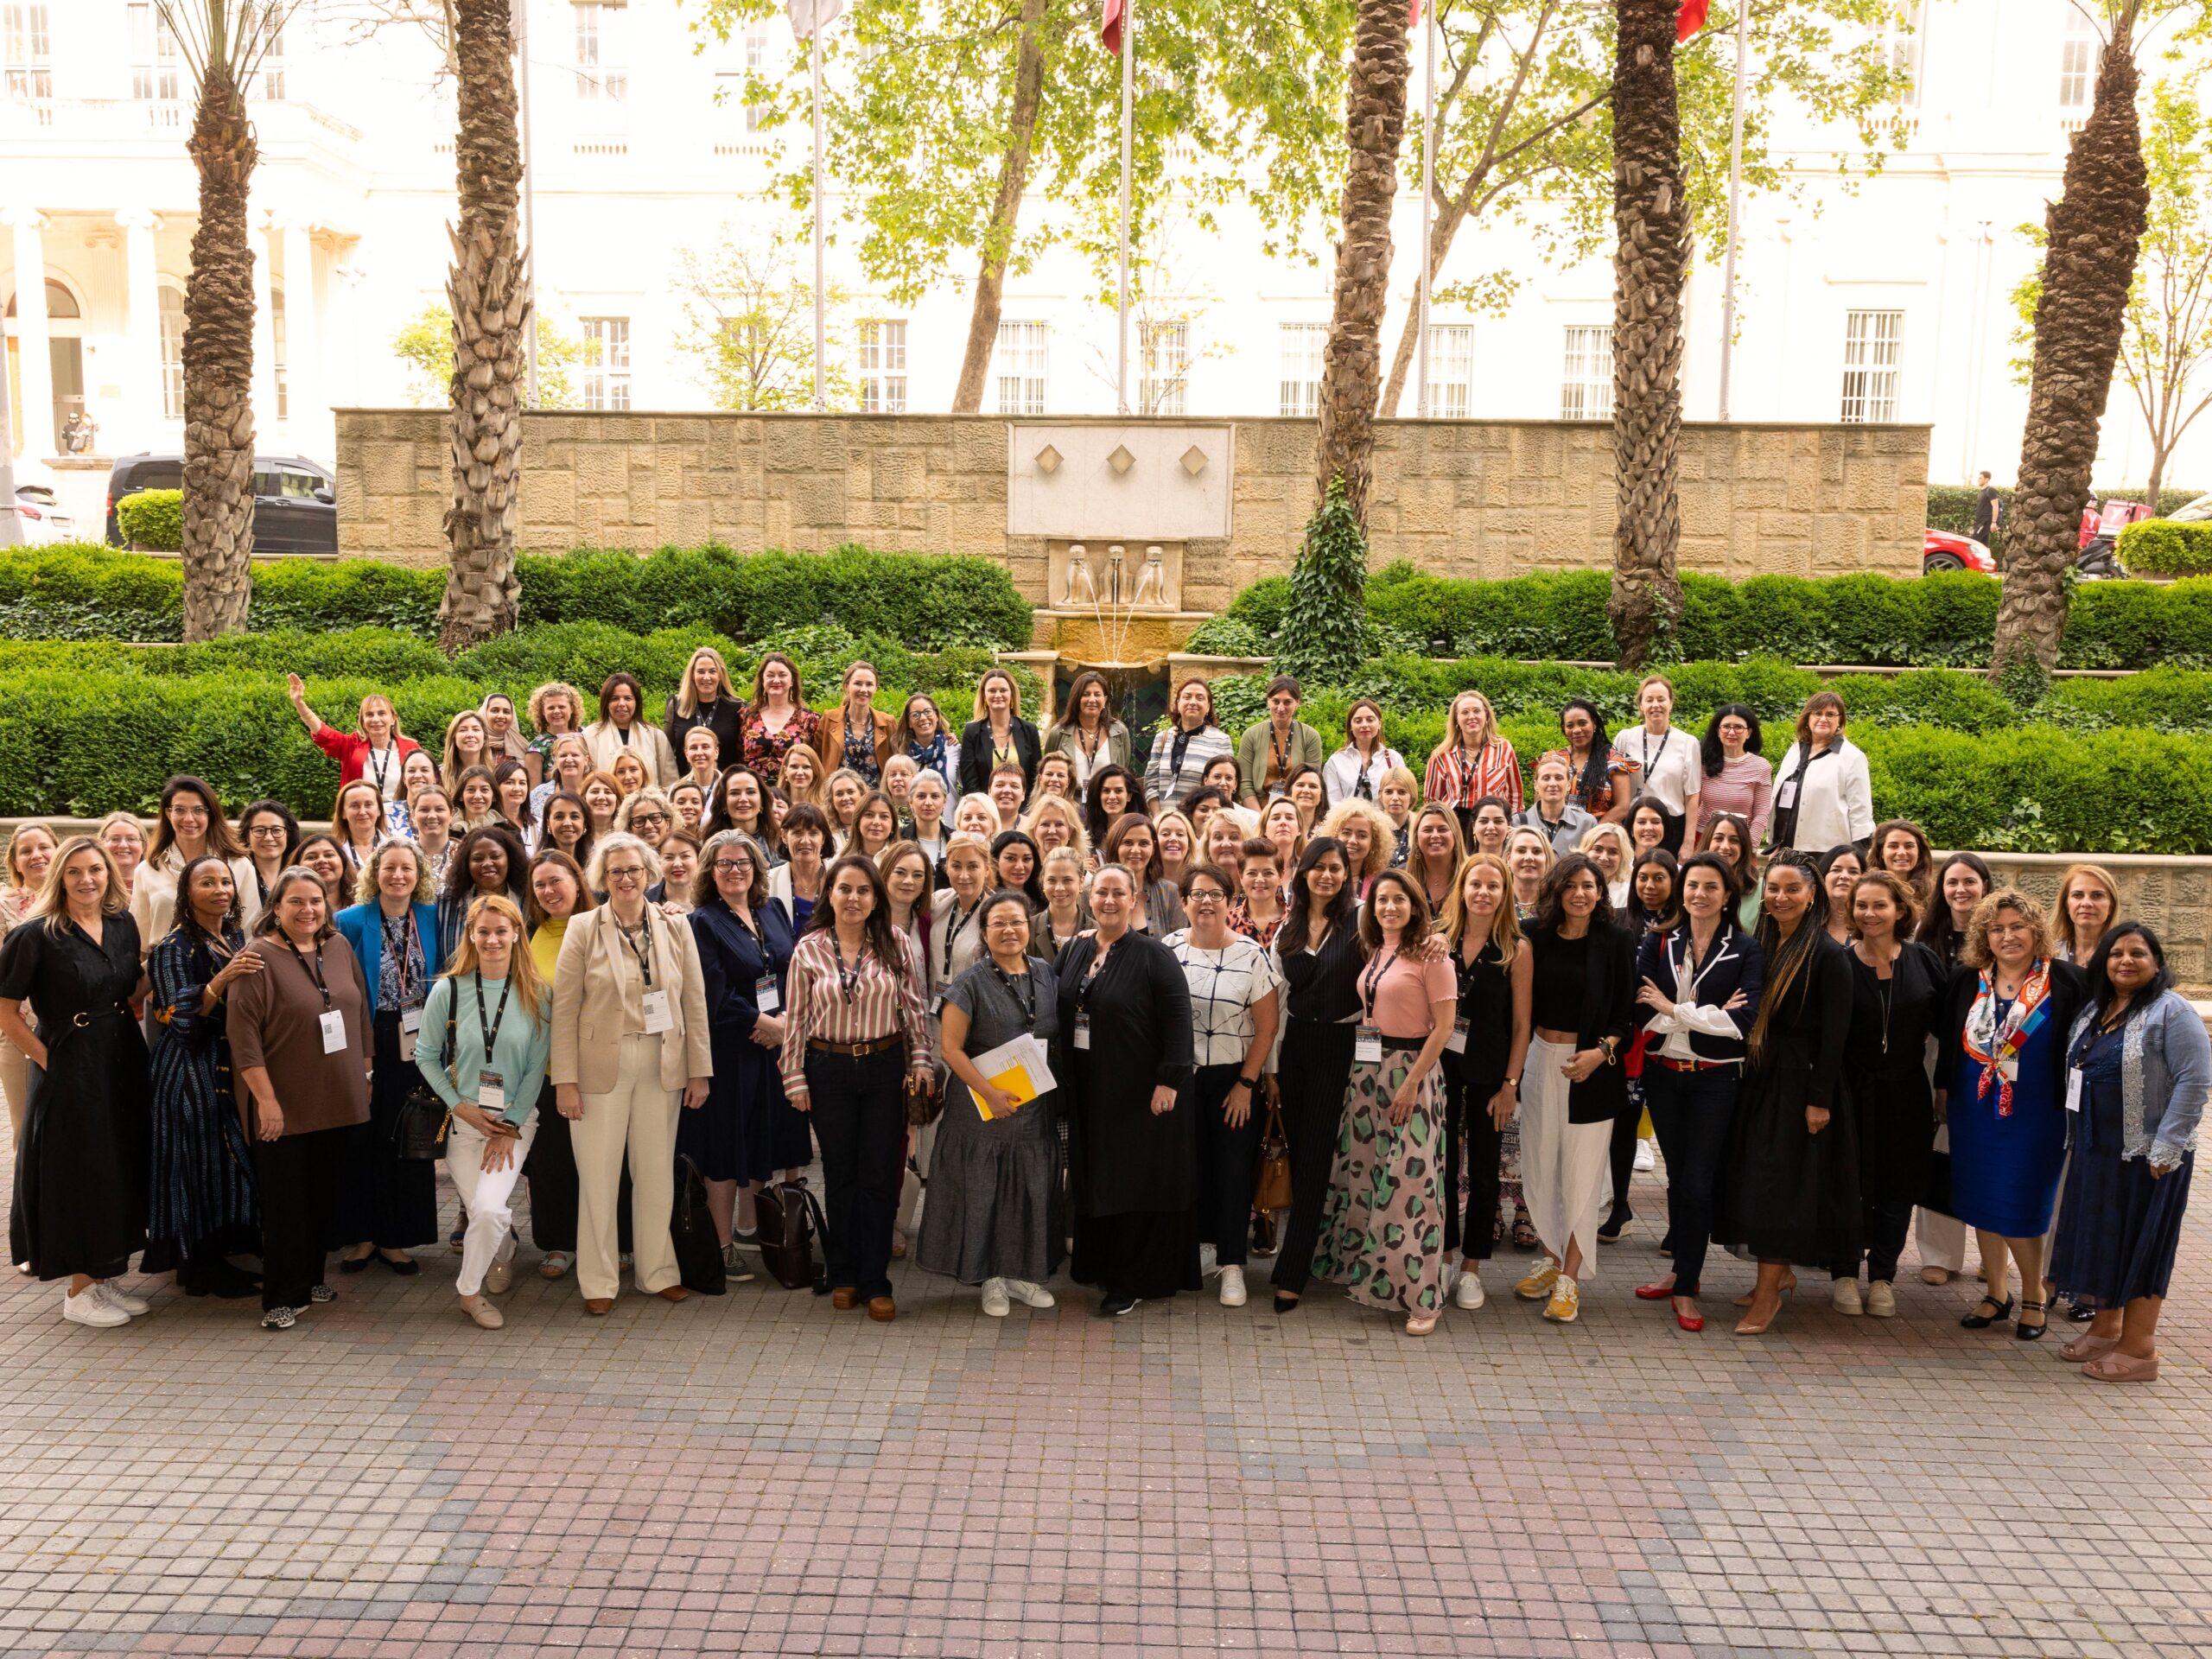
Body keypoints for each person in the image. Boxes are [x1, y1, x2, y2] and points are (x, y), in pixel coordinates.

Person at [551, 833, 715, 1314]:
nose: (625, 879)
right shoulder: (582, 928)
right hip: (599, 1067)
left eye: (634, 870)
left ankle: (657, 1271)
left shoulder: (675, 926)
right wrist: (565, 1080)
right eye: (616, 871)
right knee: (599, 1177)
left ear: (649, 874)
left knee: (656, 1174)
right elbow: (564, 1009)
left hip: (661, 1062)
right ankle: (599, 1281)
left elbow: (694, 1001)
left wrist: (699, 1071)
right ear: (603, 878)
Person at [0, 839, 152, 1326]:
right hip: (71, 1062)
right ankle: (79, 1291)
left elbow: (131, 987)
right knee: (81, 1171)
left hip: (121, 1055)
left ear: (109, 873)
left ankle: (103, 1277)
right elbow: (6, 1012)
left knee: (117, 1163)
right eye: (74, 872)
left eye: (95, 870)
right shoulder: (34, 936)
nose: (87, 880)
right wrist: (48, 1061)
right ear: (58, 879)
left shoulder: (122, 924)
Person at [779, 854, 935, 1320]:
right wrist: (794, 1076)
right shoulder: (808, 949)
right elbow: (796, 1021)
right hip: (828, 1068)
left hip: (885, 1067)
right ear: (830, 893)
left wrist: (923, 1061)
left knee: (880, 1176)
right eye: (845, 889)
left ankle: (875, 1279)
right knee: (841, 1174)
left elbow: (915, 1007)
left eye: (864, 891)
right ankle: (844, 1274)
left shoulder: (896, 943)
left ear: (876, 898)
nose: (854, 898)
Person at [2051, 923, 2202, 1382]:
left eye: (2138, 953)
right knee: (2105, 1240)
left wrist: (2168, 1146)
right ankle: (2105, 1327)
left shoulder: (2172, 1013)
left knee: (2142, 1245)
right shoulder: (2098, 1008)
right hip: (2098, 1151)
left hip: (2149, 1156)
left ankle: (2140, 1350)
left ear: (2157, 963)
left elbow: (2194, 1081)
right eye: (2117, 953)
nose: (2126, 961)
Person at [1310, 868, 1458, 1334]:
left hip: (1412, 1073)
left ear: (1415, 905)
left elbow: (1446, 1028)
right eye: (1381, 900)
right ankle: (1372, 1274)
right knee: (1367, 1174)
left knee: (1410, 1187)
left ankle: (1423, 1298)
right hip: (1369, 1072)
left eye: (1399, 900)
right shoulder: (1377, 949)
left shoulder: (1432, 955)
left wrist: (1412, 1083)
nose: (1390, 907)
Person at [1936, 889, 2088, 1342]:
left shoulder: (2067, 981)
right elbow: (1948, 1041)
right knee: (1981, 1197)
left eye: (2017, 927)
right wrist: (1943, 1092)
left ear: (2035, 930)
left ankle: (2034, 1296)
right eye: (1997, 929)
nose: (2008, 936)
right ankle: (1997, 1294)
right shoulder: (1967, 980)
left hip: (2037, 1113)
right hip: (1975, 1108)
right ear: (1984, 936)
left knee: (2023, 1202)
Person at [228, 867, 373, 1332]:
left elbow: (360, 1010)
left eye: (315, 901)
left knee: (321, 1198)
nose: (307, 910)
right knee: (286, 1204)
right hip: (283, 1103)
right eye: (295, 901)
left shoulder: (338, 946)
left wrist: (366, 1071)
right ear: (276, 907)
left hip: (337, 1097)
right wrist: (265, 1101)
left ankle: (311, 1279)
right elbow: (243, 1038)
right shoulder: (257, 958)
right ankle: (280, 1297)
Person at [1721, 854, 1856, 1336]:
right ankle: (1777, 1278)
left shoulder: (1827, 955)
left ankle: (1768, 1294)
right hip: (1759, 1076)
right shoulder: (1760, 942)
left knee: (1780, 1190)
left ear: (1812, 894)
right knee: (1754, 1181)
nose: (1780, 898)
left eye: (1791, 890)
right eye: (1773, 889)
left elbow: (1836, 1037)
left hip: (1801, 1084)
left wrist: (1818, 1100)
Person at [1056, 864, 1197, 1316]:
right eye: (1101, 893)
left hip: (1138, 1091)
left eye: (1119, 893)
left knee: (1132, 1182)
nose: (1110, 901)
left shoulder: (1155, 954)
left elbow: (1179, 1021)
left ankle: (1132, 1278)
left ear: (1134, 898)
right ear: (1089, 898)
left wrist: (1168, 1081)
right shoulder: (1075, 949)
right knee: (1096, 1175)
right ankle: (1098, 1264)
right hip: (1087, 1088)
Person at [1633, 852, 1762, 1332]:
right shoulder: (1659, 941)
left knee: (1697, 1179)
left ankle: (1687, 1286)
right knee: (1679, 1175)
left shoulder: (1746, 949)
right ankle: (1680, 1270)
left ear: (1727, 895)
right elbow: (1640, 1011)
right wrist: (1696, 1013)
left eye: (1711, 887)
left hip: (1715, 1078)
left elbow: (1740, 1024)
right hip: (1664, 1073)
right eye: (1692, 886)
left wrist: (1673, 1007)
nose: (1699, 895)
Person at [919, 888, 1064, 1315]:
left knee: (1029, 1189)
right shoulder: (968, 983)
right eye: (998, 923)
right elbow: (950, 1048)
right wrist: (989, 1093)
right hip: (982, 1111)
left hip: (1033, 1107)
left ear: (1029, 927)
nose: (1009, 930)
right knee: (986, 1191)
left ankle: (1021, 1273)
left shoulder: (1045, 974)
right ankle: (991, 1278)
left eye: (1016, 922)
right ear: (984, 932)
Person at [416, 894, 551, 1329]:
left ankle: (468, 1293)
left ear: (516, 935)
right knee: (482, 1212)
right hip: (461, 1121)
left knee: (490, 1210)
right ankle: (505, 1250)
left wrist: (507, 1126)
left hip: (513, 1122)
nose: (492, 940)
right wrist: (459, 1105)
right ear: (471, 937)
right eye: (483, 932)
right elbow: (425, 1056)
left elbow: (536, 1069)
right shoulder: (447, 990)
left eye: (501, 931)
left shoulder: (537, 994)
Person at [1514, 854, 1635, 1325]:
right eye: (1571, 886)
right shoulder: (1534, 936)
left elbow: (1626, 1013)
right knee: (1542, 1165)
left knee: (1581, 1176)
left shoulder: (1618, 940)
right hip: (1541, 1059)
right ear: (1556, 891)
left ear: (1601, 892)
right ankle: (1548, 1259)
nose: (1580, 894)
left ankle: (1570, 1278)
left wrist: (1599, 1053)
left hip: (1593, 1067)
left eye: (1589, 886)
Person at [683, 831, 804, 1262]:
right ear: (710, 872)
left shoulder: (771, 909)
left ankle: (750, 1228)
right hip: (730, 1048)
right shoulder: (702, 921)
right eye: (724, 864)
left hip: (773, 1045)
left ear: (757, 868)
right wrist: (762, 1021)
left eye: (743, 863)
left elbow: (791, 968)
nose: (735, 871)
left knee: (761, 1138)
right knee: (725, 1146)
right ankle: (721, 1247)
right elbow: (710, 989)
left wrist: (786, 1018)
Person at [1165, 864, 1282, 1309]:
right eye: (1198, 894)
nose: (1207, 902)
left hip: (1234, 1077)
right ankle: (1200, 1247)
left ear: (1232, 903)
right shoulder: (1167, 950)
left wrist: (1246, 1083)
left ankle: (1233, 1263)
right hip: (1181, 1080)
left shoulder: (1252, 955)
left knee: (1233, 1171)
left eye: (1217, 894)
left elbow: (1267, 1028)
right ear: (1184, 902)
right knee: (1190, 1167)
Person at [145, 855, 263, 1298]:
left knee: (223, 1165)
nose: (220, 890)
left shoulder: (230, 935)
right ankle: (199, 1271)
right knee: (196, 1168)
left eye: (226, 882)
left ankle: (223, 1257)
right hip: (188, 1073)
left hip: (224, 1064)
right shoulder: (173, 948)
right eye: (207, 883)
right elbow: (180, 1021)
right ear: (186, 893)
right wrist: (221, 982)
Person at [1835, 870, 1945, 1318]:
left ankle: (1882, 1276)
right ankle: (1843, 1272)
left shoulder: (1923, 960)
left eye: (1880, 905)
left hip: (1906, 1091)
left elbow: (1950, 1033)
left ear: (1900, 909)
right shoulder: (1838, 963)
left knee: (1898, 1187)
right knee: (1847, 1183)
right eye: (1862, 905)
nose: (1870, 913)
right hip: (1850, 1090)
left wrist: (1944, 1089)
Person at [332, 841, 444, 1274]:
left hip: (419, 1037)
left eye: (407, 868)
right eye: (389, 867)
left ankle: (397, 1239)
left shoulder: (433, 918)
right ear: (374, 873)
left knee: (409, 1135)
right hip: (369, 1033)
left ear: (419, 875)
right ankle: (362, 1237)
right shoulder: (350, 921)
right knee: (363, 1137)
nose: (398, 875)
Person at [1268, 838, 1361, 1313]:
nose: (1328, 875)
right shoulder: (1289, 924)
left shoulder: (1362, 920)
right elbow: (1278, 1002)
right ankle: (1309, 1254)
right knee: (1300, 1153)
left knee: (1316, 1160)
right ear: (1302, 872)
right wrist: (1272, 1069)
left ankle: (1293, 1271)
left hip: (1340, 1047)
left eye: (1336, 868)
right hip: (1295, 1048)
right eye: (1318, 867)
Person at [1440, 852, 1531, 1313]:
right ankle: (1444, 1255)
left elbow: (1521, 1026)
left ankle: (1472, 1268)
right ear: (1462, 888)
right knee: (1440, 1165)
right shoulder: (1439, 940)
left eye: (1493, 886)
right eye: (1475, 884)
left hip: (1491, 1074)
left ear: (1505, 893)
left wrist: (1510, 1084)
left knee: (1482, 1172)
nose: (1483, 892)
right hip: (1441, 1069)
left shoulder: (1516, 948)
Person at [519, 851, 605, 1281]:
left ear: (577, 880)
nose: (549, 891)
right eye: (540, 885)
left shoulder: (604, 925)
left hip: (602, 1065)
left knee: (609, 1161)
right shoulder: (529, 933)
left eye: (556, 881)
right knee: (553, 1162)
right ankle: (560, 1242)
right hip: (547, 1070)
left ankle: (615, 1241)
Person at [131, 775, 257, 956]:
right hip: (167, 972)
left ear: (210, 813)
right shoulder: (147, 870)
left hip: (227, 969)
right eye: (179, 810)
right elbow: (140, 942)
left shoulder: (239, 866)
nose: (189, 819)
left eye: (198, 810)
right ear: (168, 813)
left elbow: (250, 932)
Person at [0, 823, 57, 1150]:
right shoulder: (5, 906)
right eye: (26, 851)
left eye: (44, 847)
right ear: (16, 862)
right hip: (20, 1030)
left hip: (71, 1030)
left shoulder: (78, 897)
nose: (36, 855)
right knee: (28, 1131)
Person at [1768, 692, 1873, 856]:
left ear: (1840, 721)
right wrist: (1775, 842)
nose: (1823, 719)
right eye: (1818, 713)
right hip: (1786, 846)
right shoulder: (1796, 749)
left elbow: (1861, 811)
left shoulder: (1852, 757)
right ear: (1808, 718)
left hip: (1827, 852)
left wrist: (1858, 855)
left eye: (1830, 714)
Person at [285, 678, 423, 802]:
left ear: (393, 719)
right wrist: (299, 703)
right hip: (362, 815)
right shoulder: (351, 745)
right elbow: (323, 733)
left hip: (401, 818)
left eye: (381, 713)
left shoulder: (411, 747)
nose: (375, 719)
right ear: (363, 721)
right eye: (369, 715)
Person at [1612, 675, 1700, 853]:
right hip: (1632, 822)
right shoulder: (1625, 738)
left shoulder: (1688, 742)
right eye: (1649, 700)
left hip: (1672, 824)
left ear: (1671, 704)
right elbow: (1613, 784)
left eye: (1661, 699)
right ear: (1641, 705)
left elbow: (1692, 796)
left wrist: (1688, 843)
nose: (1656, 705)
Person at [1424, 690, 1523, 842]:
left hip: (1492, 824)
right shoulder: (1441, 756)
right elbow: (1431, 801)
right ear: (1456, 720)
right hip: (1456, 826)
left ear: (1487, 715)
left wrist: (1512, 824)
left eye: (1477, 711)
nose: (1471, 717)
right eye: (1465, 712)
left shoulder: (1504, 748)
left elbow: (1515, 794)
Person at [436, 824, 529, 957]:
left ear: (509, 859)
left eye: (495, 856)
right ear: (466, 864)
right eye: (477, 859)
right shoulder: (446, 902)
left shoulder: (528, 902)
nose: (487, 863)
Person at [1236, 675, 1324, 806]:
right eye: (1276, 701)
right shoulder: (1251, 735)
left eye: (1287, 702)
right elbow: (1245, 783)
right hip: (1257, 810)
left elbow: (1312, 783)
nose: (1281, 708)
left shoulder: (1310, 736)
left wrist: (1295, 816)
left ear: (1297, 703)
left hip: (1297, 810)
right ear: (1268, 701)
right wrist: (1259, 818)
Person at [583, 671, 678, 789]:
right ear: (606, 703)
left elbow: (670, 783)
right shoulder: (590, 736)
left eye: (628, 698)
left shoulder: (656, 737)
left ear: (636, 702)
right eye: (615, 698)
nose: (622, 704)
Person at [1696, 703, 1773, 846]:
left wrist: (1750, 846)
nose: (1731, 732)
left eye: (1738, 727)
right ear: (1718, 731)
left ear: (1749, 733)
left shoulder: (1761, 767)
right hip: (1703, 838)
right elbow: (1692, 804)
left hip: (1739, 842)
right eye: (1726, 727)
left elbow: (1762, 813)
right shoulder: (1702, 763)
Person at [1044, 671, 1132, 794]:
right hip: (1069, 804)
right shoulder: (1058, 733)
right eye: (1086, 694)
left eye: (1097, 694)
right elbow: (1047, 771)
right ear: (1077, 699)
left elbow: (1124, 768)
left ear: (1105, 699)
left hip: (1107, 803)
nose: (1092, 699)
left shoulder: (1119, 732)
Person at [663, 645, 746, 777]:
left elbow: (744, 754)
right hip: (686, 789)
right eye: (701, 672)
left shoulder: (737, 707)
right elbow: (665, 753)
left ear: (720, 675)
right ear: (692, 675)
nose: (706, 677)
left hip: (725, 788)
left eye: (712, 671)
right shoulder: (676, 705)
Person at [958, 668, 1041, 796]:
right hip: (985, 810)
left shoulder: (1029, 730)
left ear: (1012, 694)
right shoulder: (972, 732)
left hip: (1022, 810)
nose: (998, 695)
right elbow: (970, 783)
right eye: (992, 691)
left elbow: (1035, 779)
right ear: (984, 696)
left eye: (1003, 690)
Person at [1101, 814, 1185, 936]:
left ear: (1154, 848)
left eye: (1144, 843)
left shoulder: (1171, 893)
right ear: (1115, 846)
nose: (1136, 850)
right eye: (1128, 843)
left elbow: (1178, 946)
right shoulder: (1094, 891)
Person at [812, 660, 895, 785]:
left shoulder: (888, 723)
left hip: (874, 800)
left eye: (869, 684)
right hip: (837, 798)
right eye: (858, 683)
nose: (864, 689)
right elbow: (816, 761)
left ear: (876, 688)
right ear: (846, 686)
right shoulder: (829, 720)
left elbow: (895, 763)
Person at [1549, 698, 1634, 820]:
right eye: (1570, 725)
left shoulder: (1614, 760)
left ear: (1594, 723)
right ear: (1564, 729)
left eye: (1583, 723)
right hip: (1558, 833)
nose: (1577, 730)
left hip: (1601, 834)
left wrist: (1593, 835)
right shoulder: (1553, 760)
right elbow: (1541, 802)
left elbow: (1622, 807)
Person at [1322, 698, 1405, 808]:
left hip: (1386, 824)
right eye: (1358, 721)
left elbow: (1403, 796)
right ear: (1350, 726)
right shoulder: (1336, 761)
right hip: (1347, 823)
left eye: (1370, 720)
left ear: (1379, 723)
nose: (1364, 725)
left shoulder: (1393, 759)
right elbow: (1332, 803)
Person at [1515, 754, 1598, 856]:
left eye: (1559, 778)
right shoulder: (1518, 823)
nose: (1553, 783)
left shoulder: (1586, 823)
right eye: (1546, 778)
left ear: (1568, 785)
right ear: (1536, 785)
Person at [1316, 798, 1394, 902]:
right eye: (1346, 833)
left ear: (1374, 842)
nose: (1353, 841)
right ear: (1334, 835)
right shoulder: (1318, 875)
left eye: (1362, 835)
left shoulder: (1381, 884)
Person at [769, 804, 831, 933]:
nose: (805, 841)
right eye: (798, 833)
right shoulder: (768, 881)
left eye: (813, 833)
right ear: (784, 836)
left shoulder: (837, 876)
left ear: (823, 838)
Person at [237, 800, 301, 920]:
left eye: (276, 830)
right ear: (247, 835)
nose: (268, 838)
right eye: (260, 830)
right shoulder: (236, 874)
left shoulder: (301, 873)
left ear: (288, 834)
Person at [1701, 811, 1762, 931]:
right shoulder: (1689, 882)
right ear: (1708, 842)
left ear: (1743, 847)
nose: (1725, 846)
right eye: (1718, 838)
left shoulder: (1761, 890)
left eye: (1734, 840)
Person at [1404, 804, 1466, 918]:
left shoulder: (1472, 874)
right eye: (1427, 830)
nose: (1435, 835)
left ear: (1455, 835)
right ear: (1416, 838)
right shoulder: (1403, 877)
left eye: (1443, 829)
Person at [893, 693, 963, 795]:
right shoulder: (902, 753)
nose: (923, 718)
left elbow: (969, 787)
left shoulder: (952, 747)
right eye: (916, 715)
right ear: (909, 723)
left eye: (927, 712)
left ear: (937, 716)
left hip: (949, 811)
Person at [2054, 862, 2121, 964]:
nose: (2086, 903)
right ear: (2066, 905)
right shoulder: (2049, 955)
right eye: (2077, 895)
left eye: (2097, 895)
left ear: (2111, 906)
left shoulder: (2123, 956)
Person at [526, 682, 588, 789]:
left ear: (572, 708)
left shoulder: (587, 736)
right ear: (542, 712)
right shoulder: (537, 747)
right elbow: (533, 791)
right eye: (551, 708)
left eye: (562, 707)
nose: (557, 711)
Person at [1228, 839, 1286, 948]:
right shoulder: (1226, 924)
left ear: (1280, 876)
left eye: (1268, 873)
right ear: (1241, 877)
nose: (1259, 879)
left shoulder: (1295, 922)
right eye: (1252, 873)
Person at [1872, 818, 1936, 915]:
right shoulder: (1866, 889)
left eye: (1909, 846)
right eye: (1893, 846)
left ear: (1919, 852)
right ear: (1881, 853)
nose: (1902, 852)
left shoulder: (1935, 893)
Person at [1082, 765, 1145, 853]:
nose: (1112, 797)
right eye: (1106, 791)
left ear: (1129, 796)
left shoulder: (1143, 831)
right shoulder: (1086, 835)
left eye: (1118, 791)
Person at [1577, 821, 1634, 911]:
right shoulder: (1568, 884)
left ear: (1623, 858)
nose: (1604, 858)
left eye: (1613, 852)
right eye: (1597, 849)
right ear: (1585, 851)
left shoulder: (1628, 893)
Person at [1503, 826, 1554, 928]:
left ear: (1547, 860)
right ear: (1509, 859)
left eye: (1536, 851)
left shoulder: (1556, 903)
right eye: (1521, 851)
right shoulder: (1498, 900)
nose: (1529, 858)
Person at [1818, 844, 1865, 947]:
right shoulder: (1806, 925)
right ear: (1823, 877)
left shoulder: (1870, 927)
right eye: (1836, 870)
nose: (1844, 876)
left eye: (1853, 872)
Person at [97, 811, 148, 903]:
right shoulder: (93, 884)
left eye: (131, 839)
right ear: (101, 844)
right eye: (115, 839)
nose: (123, 845)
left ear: (143, 845)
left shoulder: (156, 883)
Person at [990, 830, 1045, 912]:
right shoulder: (986, 898)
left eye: (1027, 859)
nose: (1020, 866)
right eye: (1010, 858)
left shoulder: (1044, 898)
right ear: (995, 860)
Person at [442, 709, 493, 794]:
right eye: (463, 730)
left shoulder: (496, 774)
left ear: (485, 738)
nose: (470, 735)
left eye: (476, 729)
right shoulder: (440, 775)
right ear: (453, 738)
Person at [1154, 809, 1198, 892]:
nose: (1173, 838)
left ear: (1189, 844)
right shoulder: (1142, 884)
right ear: (1153, 842)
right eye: (1165, 834)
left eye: (1180, 834)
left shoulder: (1200, 883)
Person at [1972, 469, 2000, 543]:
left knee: (1973, 542)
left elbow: (1995, 506)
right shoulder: (1982, 491)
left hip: (1985, 522)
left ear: (1987, 479)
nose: (1978, 480)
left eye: (1980, 478)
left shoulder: (1991, 490)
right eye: (1978, 478)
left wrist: (1994, 522)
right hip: (1980, 521)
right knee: (1983, 545)